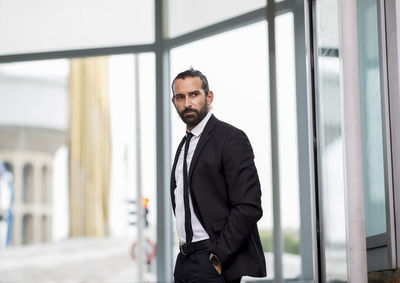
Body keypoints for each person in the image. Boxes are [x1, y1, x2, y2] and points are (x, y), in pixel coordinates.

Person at [170, 68, 266, 283]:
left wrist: (218, 256)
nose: (187, 103)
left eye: (194, 94)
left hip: (212, 261)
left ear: (209, 96)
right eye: (180, 97)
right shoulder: (185, 145)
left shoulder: (230, 138)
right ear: (174, 101)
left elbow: (249, 205)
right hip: (185, 261)